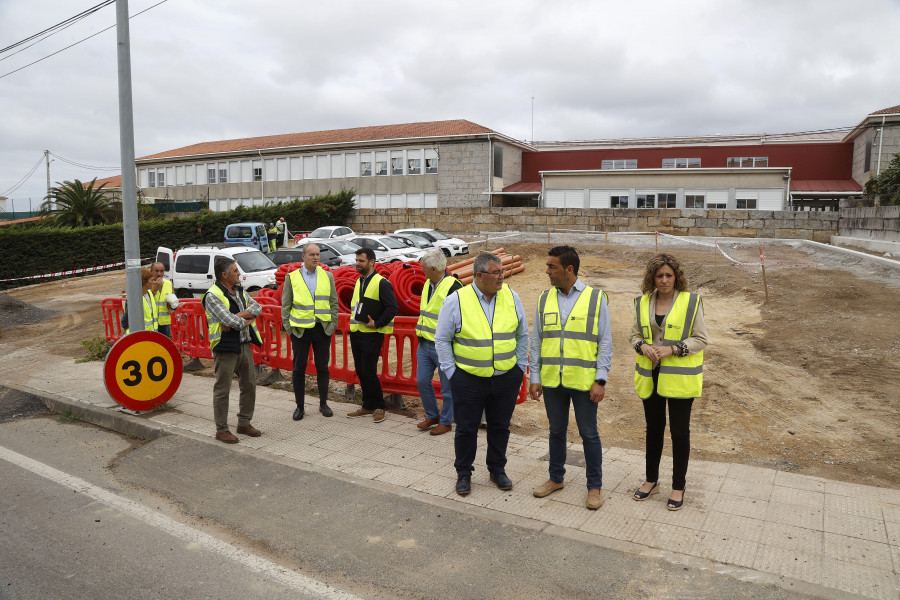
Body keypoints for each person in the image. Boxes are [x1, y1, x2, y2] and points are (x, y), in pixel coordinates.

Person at [435, 252, 529, 496]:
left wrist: (519, 368)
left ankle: (497, 469)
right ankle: (464, 472)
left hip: (506, 378)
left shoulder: (511, 296)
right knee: (466, 428)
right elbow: (442, 339)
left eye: (502, 272)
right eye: (496, 273)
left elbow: (522, 334)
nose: (502, 277)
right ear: (479, 275)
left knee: (500, 427)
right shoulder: (457, 300)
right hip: (468, 379)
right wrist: (452, 373)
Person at [529, 246, 612, 510]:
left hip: (584, 382)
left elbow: (605, 342)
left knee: (589, 435)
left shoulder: (596, 299)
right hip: (553, 381)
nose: (547, 271)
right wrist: (535, 376)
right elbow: (536, 342)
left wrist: (601, 380)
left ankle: (594, 486)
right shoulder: (544, 299)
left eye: (551, 267)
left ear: (569, 269)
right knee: (556, 431)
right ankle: (556, 478)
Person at [630, 253, 707, 511]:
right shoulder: (642, 303)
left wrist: (673, 349)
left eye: (668, 275)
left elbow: (701, 339)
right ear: (652, 277)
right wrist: (642, 346)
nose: (664, 280)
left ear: (677, 277)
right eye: (659, 275)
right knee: (653, 431)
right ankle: (651, 479)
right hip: (650, 377)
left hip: (679, 380)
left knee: (679, 433)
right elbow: (633, 336)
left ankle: (678, 485)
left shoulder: (691, 302)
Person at [202, 256, 263, 444]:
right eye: (235, 271)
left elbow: (257, 307)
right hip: (225, 347)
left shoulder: (239, 290)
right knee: (223, 390)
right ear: (224, 274)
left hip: (244, 343)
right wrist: (244, 319)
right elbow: (231, 322)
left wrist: (236, 318)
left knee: (249, 385)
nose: (239, 273)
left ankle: (244, 423)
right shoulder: (212, 295)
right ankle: (222, 430)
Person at [282, 243, 339, 421]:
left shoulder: (327, 276)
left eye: (317, 255)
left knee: (323, 368)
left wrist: (332, 325)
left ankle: (323, 404)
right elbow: (286, 306)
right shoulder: (292, 278)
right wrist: (290, 330)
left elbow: (333, 303)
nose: (315, 257)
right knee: (299, 369)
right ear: (303, 257)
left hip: (322, 329)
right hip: (300, 331)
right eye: (311, 255)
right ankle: (300, 406)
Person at [346, 247, 398, 423]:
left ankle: (379, 406)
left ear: (371, 262)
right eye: (357, 260)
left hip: (372, 334)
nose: (358, 263)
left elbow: (392, 307)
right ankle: (367, 405)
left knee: (368, 371)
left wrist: (377, 323)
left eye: (361, 261)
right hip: (357, 332)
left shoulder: (382, 282)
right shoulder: (359, 281)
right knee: (361, 371)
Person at [415, 250, 462, 435]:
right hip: (424, 343)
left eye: (424, 268)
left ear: (434, 268)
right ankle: (432, 415)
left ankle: (446, 421)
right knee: (421, 381)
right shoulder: (428, 283)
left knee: (447, 388)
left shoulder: (454, 286)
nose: (422, 271)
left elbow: (460, 318)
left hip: (443, 346)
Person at [122, 267, 160, 334]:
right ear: (144, 281)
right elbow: (124, 321)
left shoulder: (149, 293)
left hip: (150, 334)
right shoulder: (135, 298)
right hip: (138, 337)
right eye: (152, 280)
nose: (154, 282)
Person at [149, 261, 178, 338]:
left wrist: (173, 305)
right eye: (157, 271)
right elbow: (146, 299)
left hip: (165, 323)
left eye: (161, 271)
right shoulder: (148, 284)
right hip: (151, 323)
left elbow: (171, 302)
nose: (159, 274)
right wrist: (155, 287)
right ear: (151, 271)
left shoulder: (168, 283)